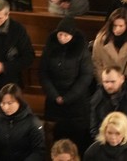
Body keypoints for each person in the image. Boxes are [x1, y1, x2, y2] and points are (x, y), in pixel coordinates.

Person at [39, 17, 94, 155]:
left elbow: (86, 76)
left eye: (66, 35)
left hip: (76, 103)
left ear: (72, 35)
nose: (62, 38)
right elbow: (43, 73)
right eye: (60, 34)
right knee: (55, 137)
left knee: (76, 138)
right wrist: (54, 95)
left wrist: (68, 97)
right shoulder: (50, 46)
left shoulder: (81, 50)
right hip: (54, 101)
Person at [0, 84, 45, 160]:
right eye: (3, 103)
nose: (5, 107)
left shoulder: (33, 122)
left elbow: (38, 152)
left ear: (19, 101)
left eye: (10, 103)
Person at [89, 67, 127, 143]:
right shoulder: (98, 98)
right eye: (106, 82)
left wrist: (126, 145)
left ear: (122, 79)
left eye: (113, 82)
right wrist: (103, 141)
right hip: (104, 144)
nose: (109, 86)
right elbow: (94, 126)